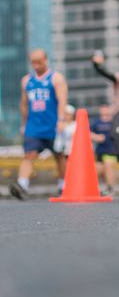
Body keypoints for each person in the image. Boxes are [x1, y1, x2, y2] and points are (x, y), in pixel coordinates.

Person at [9, 49, 68, 200]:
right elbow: (24, 104)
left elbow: (62, 100)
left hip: (53, 125)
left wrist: (61, 120)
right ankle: (22, 185)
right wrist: (23, 124)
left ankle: (63, 186)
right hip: (33, 126)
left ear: (45, 60)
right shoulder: (26, 80)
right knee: (29, 155)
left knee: (59, 156)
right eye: (33, 63)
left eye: (38, 62)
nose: (35, 66)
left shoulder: (56, 78)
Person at [90, 104, 118, 195]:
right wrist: (96, 137)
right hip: (100, 151)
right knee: (98, 169)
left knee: (109, 167)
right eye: (103, 109)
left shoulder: (114, 122)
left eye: (106, 109)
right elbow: (88, 133)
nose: (104, 111)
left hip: (111, 150)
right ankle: (93, 188)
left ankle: (110, 188)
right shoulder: (96, 122)